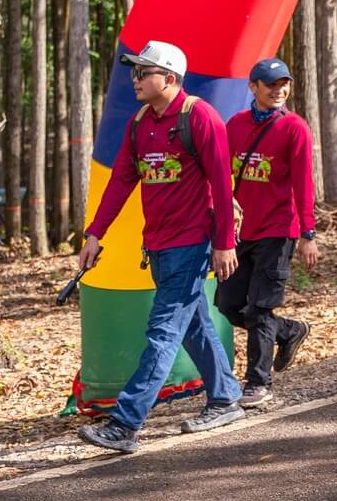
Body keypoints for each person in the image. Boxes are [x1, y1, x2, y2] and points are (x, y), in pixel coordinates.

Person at [77, 41, 243, 453]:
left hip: (192, 244)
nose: (134, 79)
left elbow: (223, 186)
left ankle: (125, 423)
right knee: (193, 326)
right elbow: (120, 182)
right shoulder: (139, 123)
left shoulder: (199, 117)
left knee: (162, 332)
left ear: (169, 78)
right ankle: (225, 398)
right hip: (158, 246)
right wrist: (95, 233)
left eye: (143, 72)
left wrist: (223, 243)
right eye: (134, 72)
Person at [215, 57, 318, 409]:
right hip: (243, 231)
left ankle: (258, 384)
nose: (279, 90)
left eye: (283, 84)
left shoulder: (294, 128)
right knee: (229, 306)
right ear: (253, 87)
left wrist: (308, 232)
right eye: (271, 84)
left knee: (260, 308)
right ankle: (288, 330)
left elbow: (304, 182)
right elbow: (219, 176)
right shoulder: (236, 125)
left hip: (279, 230)